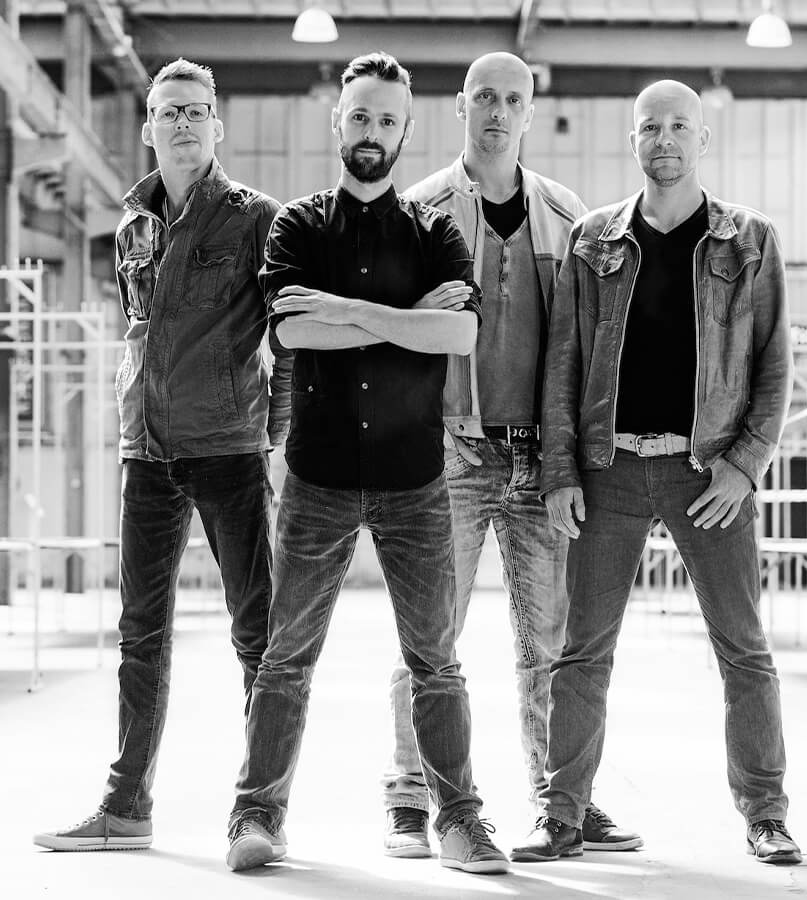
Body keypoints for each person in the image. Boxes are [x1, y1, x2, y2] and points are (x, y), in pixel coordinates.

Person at [224, 52, 508, 876]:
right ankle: (256, 814)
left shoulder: (434, 232)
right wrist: (404, 318)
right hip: (317, 478)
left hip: (414, 480)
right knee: (285, 659)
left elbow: (460, 334)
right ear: (337, 122)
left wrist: (347, 309)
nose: (372, 132)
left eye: (387, 120)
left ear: (406, 130)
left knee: (436, 662)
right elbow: (293, 331)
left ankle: (460, 820)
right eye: (360, 117)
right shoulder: (298, 226)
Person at [514, 79, 800, 865]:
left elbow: (775, 365)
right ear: (633, 140)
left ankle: (766, 814)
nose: (664, 139)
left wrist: (745, 465)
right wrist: (560, 471)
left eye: (679, 127)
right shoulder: (594, 240)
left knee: (743, 648)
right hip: (609, 470)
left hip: (707, 475)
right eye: (650, 127)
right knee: (581, 652)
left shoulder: (749, 240)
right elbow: (563, 363)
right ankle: (562, 814)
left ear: (702, 140)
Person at [382, 51, 640, 858]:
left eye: (512, 99)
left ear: (529, 113)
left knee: (551, 646)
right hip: (448, 453)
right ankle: (409, 794)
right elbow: (387, 337)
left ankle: (561, 800)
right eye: (484, 97)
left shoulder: (568, 217)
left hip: (540, 461)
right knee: (430, 637)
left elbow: (589, 348)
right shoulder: (418, 211)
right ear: (461, 107)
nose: (498, 111)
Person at [34, 58, 288, 852]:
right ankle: (126, 806)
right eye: (168, 111)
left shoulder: (255, 219)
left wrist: (273, 430)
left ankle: (261, 811)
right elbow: (139, 331)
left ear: (217, 126)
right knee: (139, 634)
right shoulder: (134, 227)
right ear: (148, 128)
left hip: (228, 449)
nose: (182, 122)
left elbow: (290, 339)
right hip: (144, 451)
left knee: (257, 635)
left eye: (195, 110)